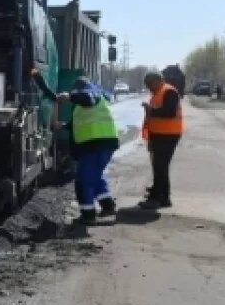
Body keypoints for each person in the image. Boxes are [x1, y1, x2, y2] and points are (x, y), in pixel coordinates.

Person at [32, 70, 120, 223]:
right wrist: (64, 125)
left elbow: (88, 98)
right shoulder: (90, 102)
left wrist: (70, 96)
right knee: (96, 175)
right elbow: (79, 124)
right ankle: (108, 205)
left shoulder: (90, 92)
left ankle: (88, 215)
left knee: (83, 179)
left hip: (94, 144)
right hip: (105, 143)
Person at [139, 70, 183, 209]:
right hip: (158, 134)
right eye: (147, 85)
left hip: (168, 135)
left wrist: (151, 110)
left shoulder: (169, 91)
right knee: (157, 165)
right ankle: (156, 193)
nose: (148, 87)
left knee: (161, 166)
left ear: (158, 80)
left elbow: (169, 112)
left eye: (150, 84)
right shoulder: (157, 93)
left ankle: (163, 197)